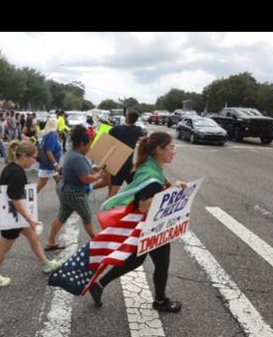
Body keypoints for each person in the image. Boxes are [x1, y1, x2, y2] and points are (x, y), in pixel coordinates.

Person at [86, 131, 186, 313]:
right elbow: (144, 205)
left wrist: (175, 189)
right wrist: (170, 189)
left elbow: (157, 191)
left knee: (135, 260)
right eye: (172, 147)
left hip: (150, 224)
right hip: (151, 225)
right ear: (159, 149)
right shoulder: (150, 174)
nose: (174, 151)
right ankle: (161, 301)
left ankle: (99, 284)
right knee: (161, 264)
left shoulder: (151, 167)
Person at [0, 140, 61, 287]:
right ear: (24, 156)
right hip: (12, 217)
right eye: (34, 157)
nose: (35, 161)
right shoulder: (17, 173)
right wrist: (29, 218)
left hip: (15, 215)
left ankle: (45, 263)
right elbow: (15, 199)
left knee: (33, 237)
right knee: (3, 248)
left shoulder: (12, 168)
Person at [43, 126, 106, 252]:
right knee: (87, 216)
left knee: (62, 215)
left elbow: (83, 172)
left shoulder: (73, 154)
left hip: (65, 189)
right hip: (73, 192)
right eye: (89, 145)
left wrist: (95, 170)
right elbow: (85, 178)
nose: (90, 148)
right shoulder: (78, 158)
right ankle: (95, 240)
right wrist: (98, 176)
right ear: (82, 144)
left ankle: (50, 241)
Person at [102, 110, 144, 198]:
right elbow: (142, 138)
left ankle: (109, 203)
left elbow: (107, 139)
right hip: (128, 162)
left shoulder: (116, 129)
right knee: (135, 185)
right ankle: (140, 203)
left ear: (127, 118)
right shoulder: (138, 130)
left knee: (115, 187)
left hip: (116, 161)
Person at [36, 117, 62, 194]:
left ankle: (65, 200)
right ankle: (27, 200)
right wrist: (55, 164)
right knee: (41, 184)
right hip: (50, 165)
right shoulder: (51, 136)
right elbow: (48, 151)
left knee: (60, 182)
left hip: (51, 165)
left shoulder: (48, 134)